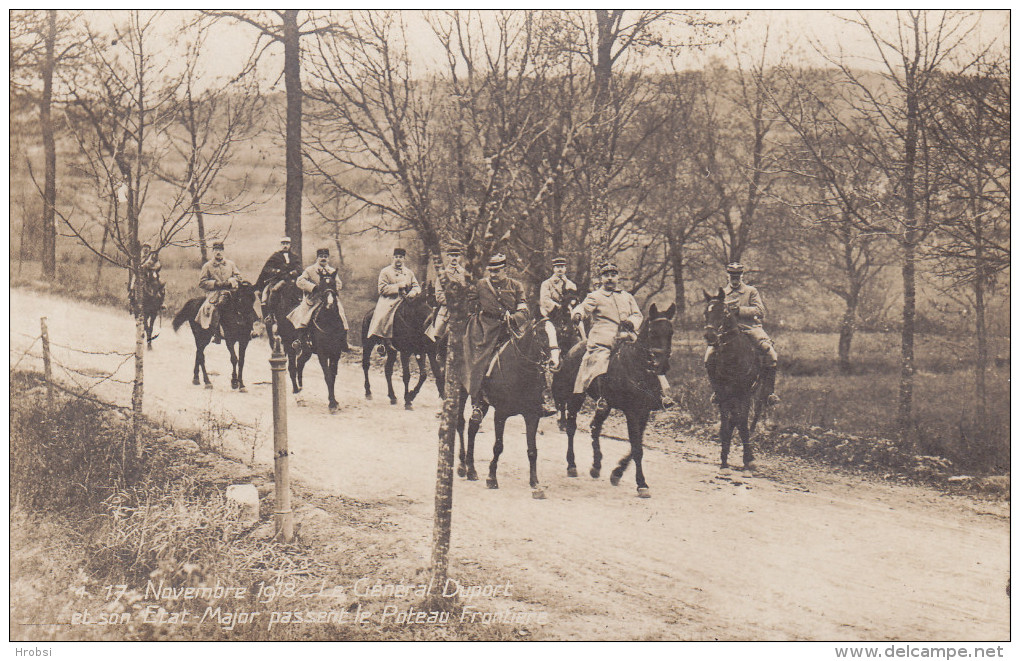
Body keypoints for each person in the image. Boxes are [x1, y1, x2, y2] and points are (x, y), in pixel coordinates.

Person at [462, 253, 531, 423]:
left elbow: (524, 308)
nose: (493, 274)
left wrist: (515, 318)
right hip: (485, 328)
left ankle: (536, 400)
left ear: (505, 270)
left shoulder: (516, 286)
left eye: (497, 271)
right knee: (480, 360)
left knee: (531, 357)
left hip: (509, 329)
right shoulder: (481, 285)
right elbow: (467, 301)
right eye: (491, 271)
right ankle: (477, 404)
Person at [571, 262, 644, 415]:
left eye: (613, 275)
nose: (610, 278)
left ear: (618, 277)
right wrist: (577, 314)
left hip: (626, 336)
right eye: (606, 275)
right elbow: (583, 308)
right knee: (600, 360)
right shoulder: (595, 296)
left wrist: (632, 322)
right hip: (603, 337)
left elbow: (637, 314)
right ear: (601, 278)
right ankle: (602, 397)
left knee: (647, 357)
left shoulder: (627, 296)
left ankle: (661, 393)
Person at [705, 262, 780, 406]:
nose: (735, 279)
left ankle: (769, 393)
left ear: (742, 276)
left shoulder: (751, 291)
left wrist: (739, 310)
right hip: (727, 332)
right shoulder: (722, 294)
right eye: (732, 276)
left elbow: (760, 311)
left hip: (750, 328)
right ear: (728, 276)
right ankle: (717, 391)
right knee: (709, 356)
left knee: (771, 354)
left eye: (737, 276)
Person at [287, 248, 348, 350]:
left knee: (340, 313)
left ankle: (343, 341)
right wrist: (313, 288)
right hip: (313, 299)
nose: (323, 259)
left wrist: (331, 289)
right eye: (321, 257)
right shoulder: (310, 270)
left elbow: (339, 283)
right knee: (305, 316)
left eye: (325, 257)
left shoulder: (332, 271)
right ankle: (300, 339)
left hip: (328, 298)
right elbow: (300, 281)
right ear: (317, 258)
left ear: (328, 258)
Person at [367, 247, 421, 353]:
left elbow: (417, 286)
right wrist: (398, 286)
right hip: (389, 300)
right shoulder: (385, 272)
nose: (398, 259)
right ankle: (382, 341)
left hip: (406, 300)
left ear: (404, 259)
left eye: (401, 257)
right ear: (393, 258)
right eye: (396, 257)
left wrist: (413, 292)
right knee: (384, 315)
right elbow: (382, 289)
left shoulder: (409, 272)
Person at [197, 241, 243, 344]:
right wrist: (215, 284)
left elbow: (239, 277)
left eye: (221, 250)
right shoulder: (207, 266)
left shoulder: (230, 264)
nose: (219, 252)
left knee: (243, 304)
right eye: (216, 250)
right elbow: (202, 282)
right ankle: (216, 333)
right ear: (212, 251)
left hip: (230, 291)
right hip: (215, 293)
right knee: (211, 308)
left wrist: (231, 281)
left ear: (223, 251)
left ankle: (248, 330)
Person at [425, 240, 468, 342]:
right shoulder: (443, 274)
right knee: (438, 334)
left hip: (464, 311)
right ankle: (439, 354)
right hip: (446, 311)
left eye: (457, 255)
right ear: (448, 257)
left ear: (460, 257)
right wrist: (453, 302)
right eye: (452, 255)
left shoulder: (465, 273)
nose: (454, 258)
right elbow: (439, 295)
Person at [254, 236, 302, 313]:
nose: (285, 246)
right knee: (274, 291)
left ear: (290, 245)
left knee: (301, 293)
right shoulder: (275, 256)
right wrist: (277, 271)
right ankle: (271, 313)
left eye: (287, 244)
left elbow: (299, 269)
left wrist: (292, 273)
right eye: (283, 244)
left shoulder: (294, 257)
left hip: (292, 279)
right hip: (278, 280)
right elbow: (267, 268)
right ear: (280, 245)